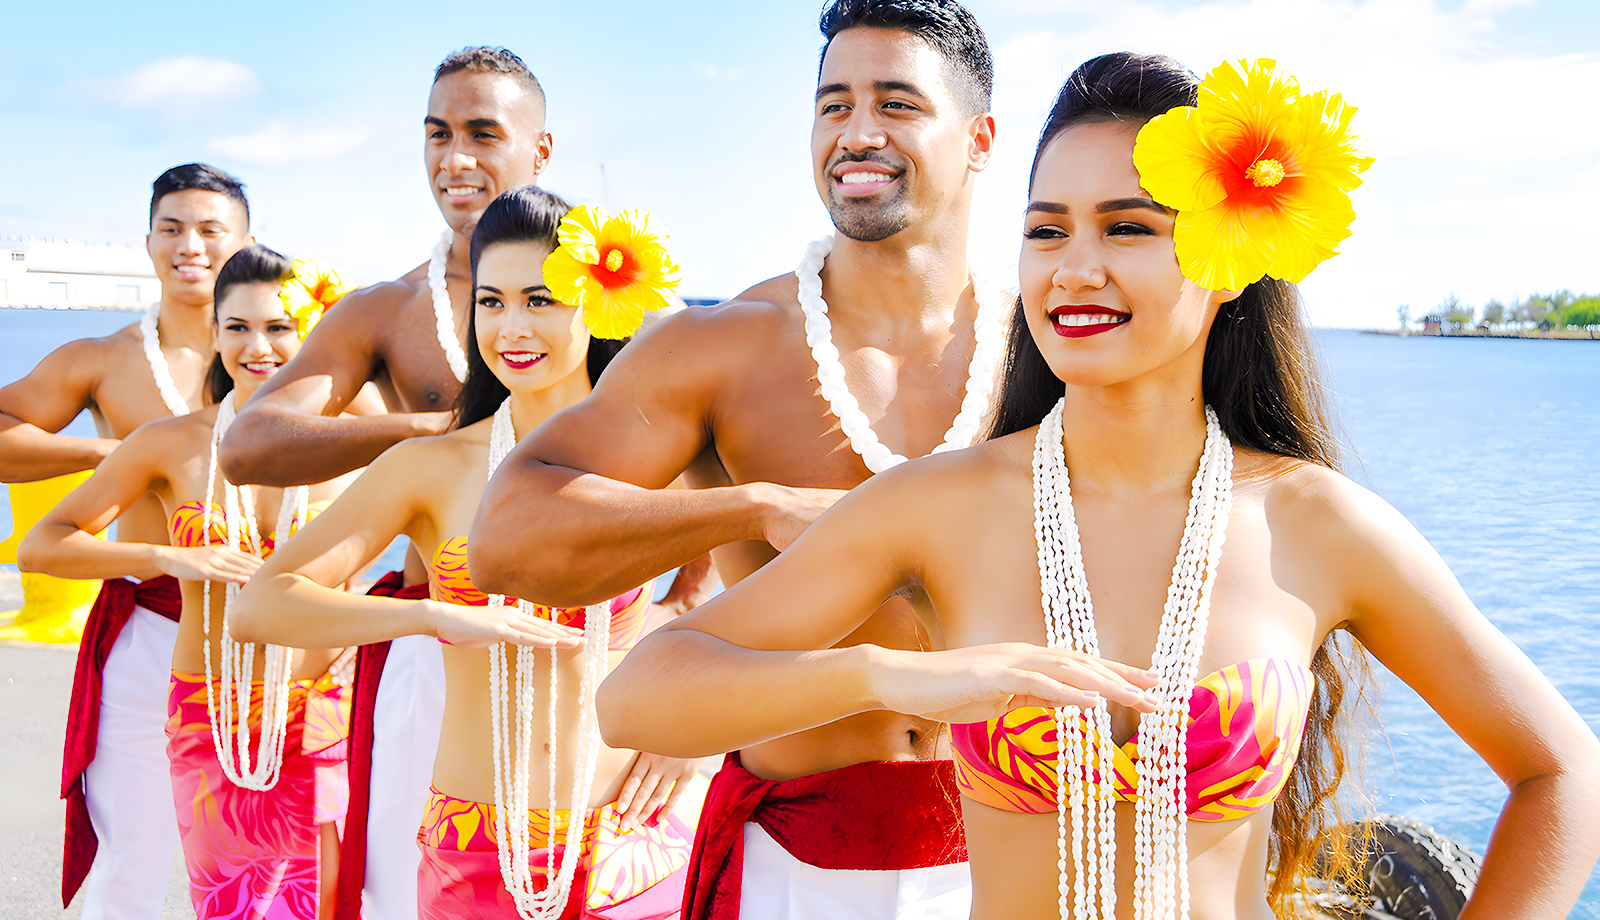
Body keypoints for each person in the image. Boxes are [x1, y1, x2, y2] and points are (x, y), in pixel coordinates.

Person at [595, 53, 1600, 919]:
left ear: (1227, 256)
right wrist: (887, 675)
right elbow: (638, 698)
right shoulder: (939, 505)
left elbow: (1562, 774)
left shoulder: (1311, 521)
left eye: (1126, 228)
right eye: (1045, 230)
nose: (1074, 268)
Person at [471, 0, 1007, 918]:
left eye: (898, 104)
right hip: (795, 855)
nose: (857, 132)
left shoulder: (1046, 348)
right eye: (833, 104)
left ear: (980, 140)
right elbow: (508, 537)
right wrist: (752, 506)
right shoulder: (727, 344)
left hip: (1012, 841)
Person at [231, 185, 705, 919]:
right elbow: (263, 605)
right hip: (475, 845)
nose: (513, 326)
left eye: (541, 300)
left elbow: (776, 589)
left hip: (633, 841)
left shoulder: (659, 455)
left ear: (596, 301)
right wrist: (430, 618)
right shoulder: (433, 466)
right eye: (492, 302)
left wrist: (703, 735)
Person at [22, 245, 371, 919]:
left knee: (326, 903)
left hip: (330, 710)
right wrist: (169, 557)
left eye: (278, 326)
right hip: (209, 711)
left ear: (314, 329)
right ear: (213, 333)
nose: (257, 346)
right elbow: (45, 545)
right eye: (236, 327)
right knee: (231, 903)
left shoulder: (363, 441)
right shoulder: (173, 442)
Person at [0, 163, 250, 916]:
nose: (190, 246)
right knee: (130, 862)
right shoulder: (104, 359)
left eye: (211, 229)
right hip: (147, 621)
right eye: (172, 228)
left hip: (262, 631)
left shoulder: (283, 357)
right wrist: (111, 454)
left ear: (245, 242)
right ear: (148, 241)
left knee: (269, 855)